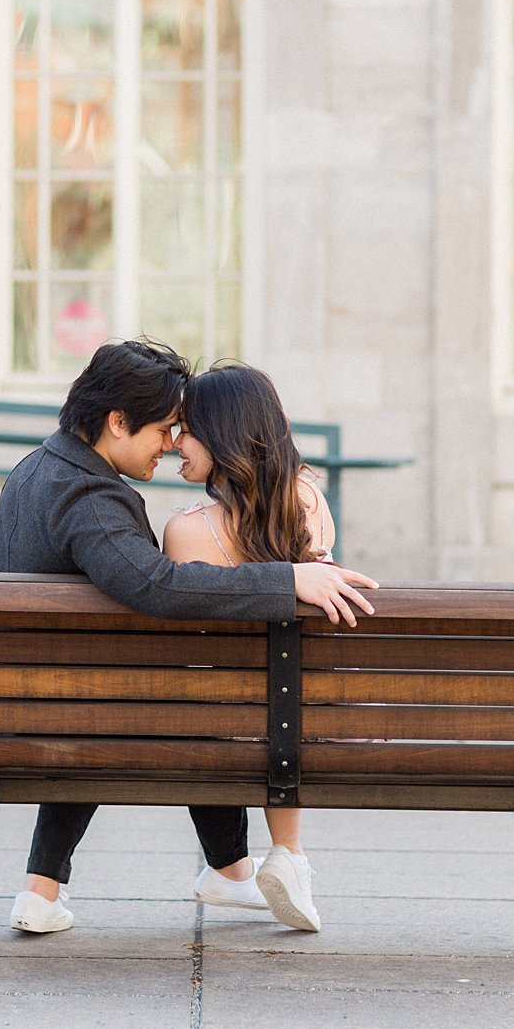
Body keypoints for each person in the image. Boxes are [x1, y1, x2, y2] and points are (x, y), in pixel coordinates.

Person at [0, 339, 379, 935]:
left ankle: (48, 890)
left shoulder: (37, 470)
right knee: (200, 697)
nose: (171, 444)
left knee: (175, 691)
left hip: (28, 701)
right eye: (166, 428)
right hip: (65, 709)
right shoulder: (89, 498)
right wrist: (288, 577)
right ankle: (229, 869)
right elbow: (160, 586)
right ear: (118, 422)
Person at [162, 362, 332, 932]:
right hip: (296, 719)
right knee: (284, 697)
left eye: (185, 428)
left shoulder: (185, 530)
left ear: (221, 435)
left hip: (214, 722)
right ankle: (291, 854)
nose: (174, 442)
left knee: (210, 702)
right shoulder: (307, 500)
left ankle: (231, 869)